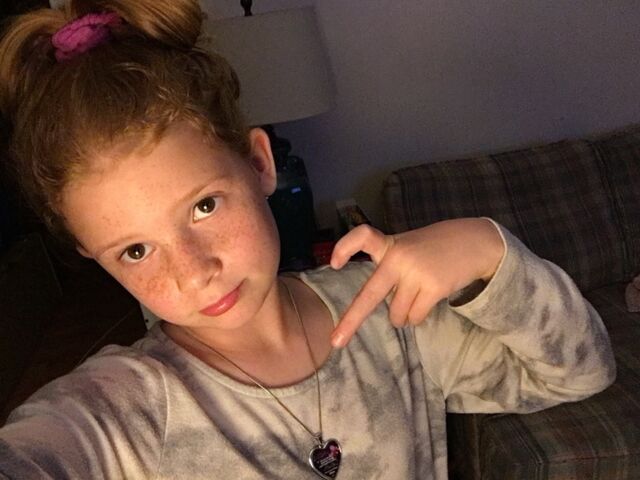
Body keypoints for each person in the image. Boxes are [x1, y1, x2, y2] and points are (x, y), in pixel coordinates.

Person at [0, 1, 615, 479]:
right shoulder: (122, 413)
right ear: (94, 256)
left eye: (204, 206)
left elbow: (581, 373)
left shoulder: (391, 314)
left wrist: (487, 248)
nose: (194, 271)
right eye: (135, 251)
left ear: (259, 163)